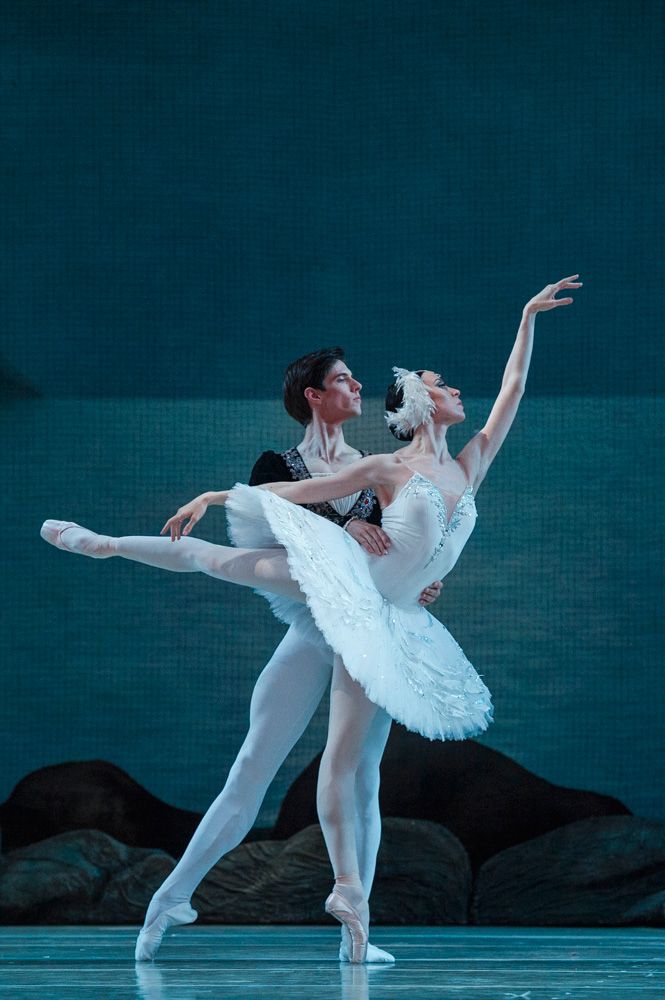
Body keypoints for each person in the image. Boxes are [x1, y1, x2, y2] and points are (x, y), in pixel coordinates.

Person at [41, 275, 581, 961]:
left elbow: (511, 395)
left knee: (362, 774)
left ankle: (355, 926)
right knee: (250, 749)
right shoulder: (384, 465)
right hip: (337, 601)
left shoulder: (462, 468)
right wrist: (216, 492)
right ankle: (106, 545)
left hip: (383, 619)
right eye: (440, 385)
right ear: (414, 403)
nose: (455, 391)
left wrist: (526, 316)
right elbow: (290, 493)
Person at [42, 346, 442, 965]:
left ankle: (356, 933)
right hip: (312, 622)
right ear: (314, 395)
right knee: (250, 771)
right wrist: (345, 530)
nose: (357, 385)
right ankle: (168, 901)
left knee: (366, 781)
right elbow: (283, 533)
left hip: (366, 628)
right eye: (342, 379)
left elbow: (399, 549)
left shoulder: (373, 468)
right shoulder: (277, 465)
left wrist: (420, 579)